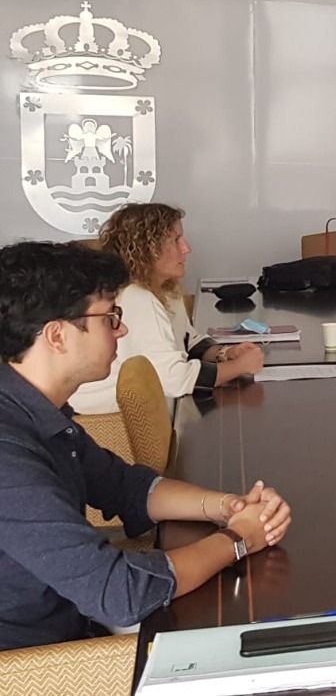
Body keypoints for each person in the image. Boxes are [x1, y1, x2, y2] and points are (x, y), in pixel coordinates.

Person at [0, 241, 291, 652]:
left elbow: (125, 487)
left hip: (69, 617)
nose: (121, 330)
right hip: (38, 659)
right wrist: (238, 540)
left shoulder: (32, 410)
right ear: (57, 336)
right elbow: (120, 592)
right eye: (109, 317)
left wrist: (228, 506)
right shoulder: (8, 455)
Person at [71, 204, 264, 415]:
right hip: (112, 418)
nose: (186, 248)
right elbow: (173, 379)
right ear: (147, 250)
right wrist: (239, 367)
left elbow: (189, 342)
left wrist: (225, 353)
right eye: (175, 240)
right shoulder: (137, 298)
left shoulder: (167, 291)